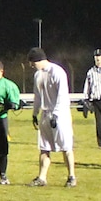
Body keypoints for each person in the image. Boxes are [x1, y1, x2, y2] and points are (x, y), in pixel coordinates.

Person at [28, 47, 76, 187]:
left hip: (60, 115)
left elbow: (62, 95)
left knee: (65, 146)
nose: (31, 66)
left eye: (32, 63)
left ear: (38, 60)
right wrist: (35, 113)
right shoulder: (38, 75)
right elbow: (37, 96)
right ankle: (42, 178)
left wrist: (56, 115)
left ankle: (71, 176)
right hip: (45, 114)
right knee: (44, 147)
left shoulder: (57, 72)